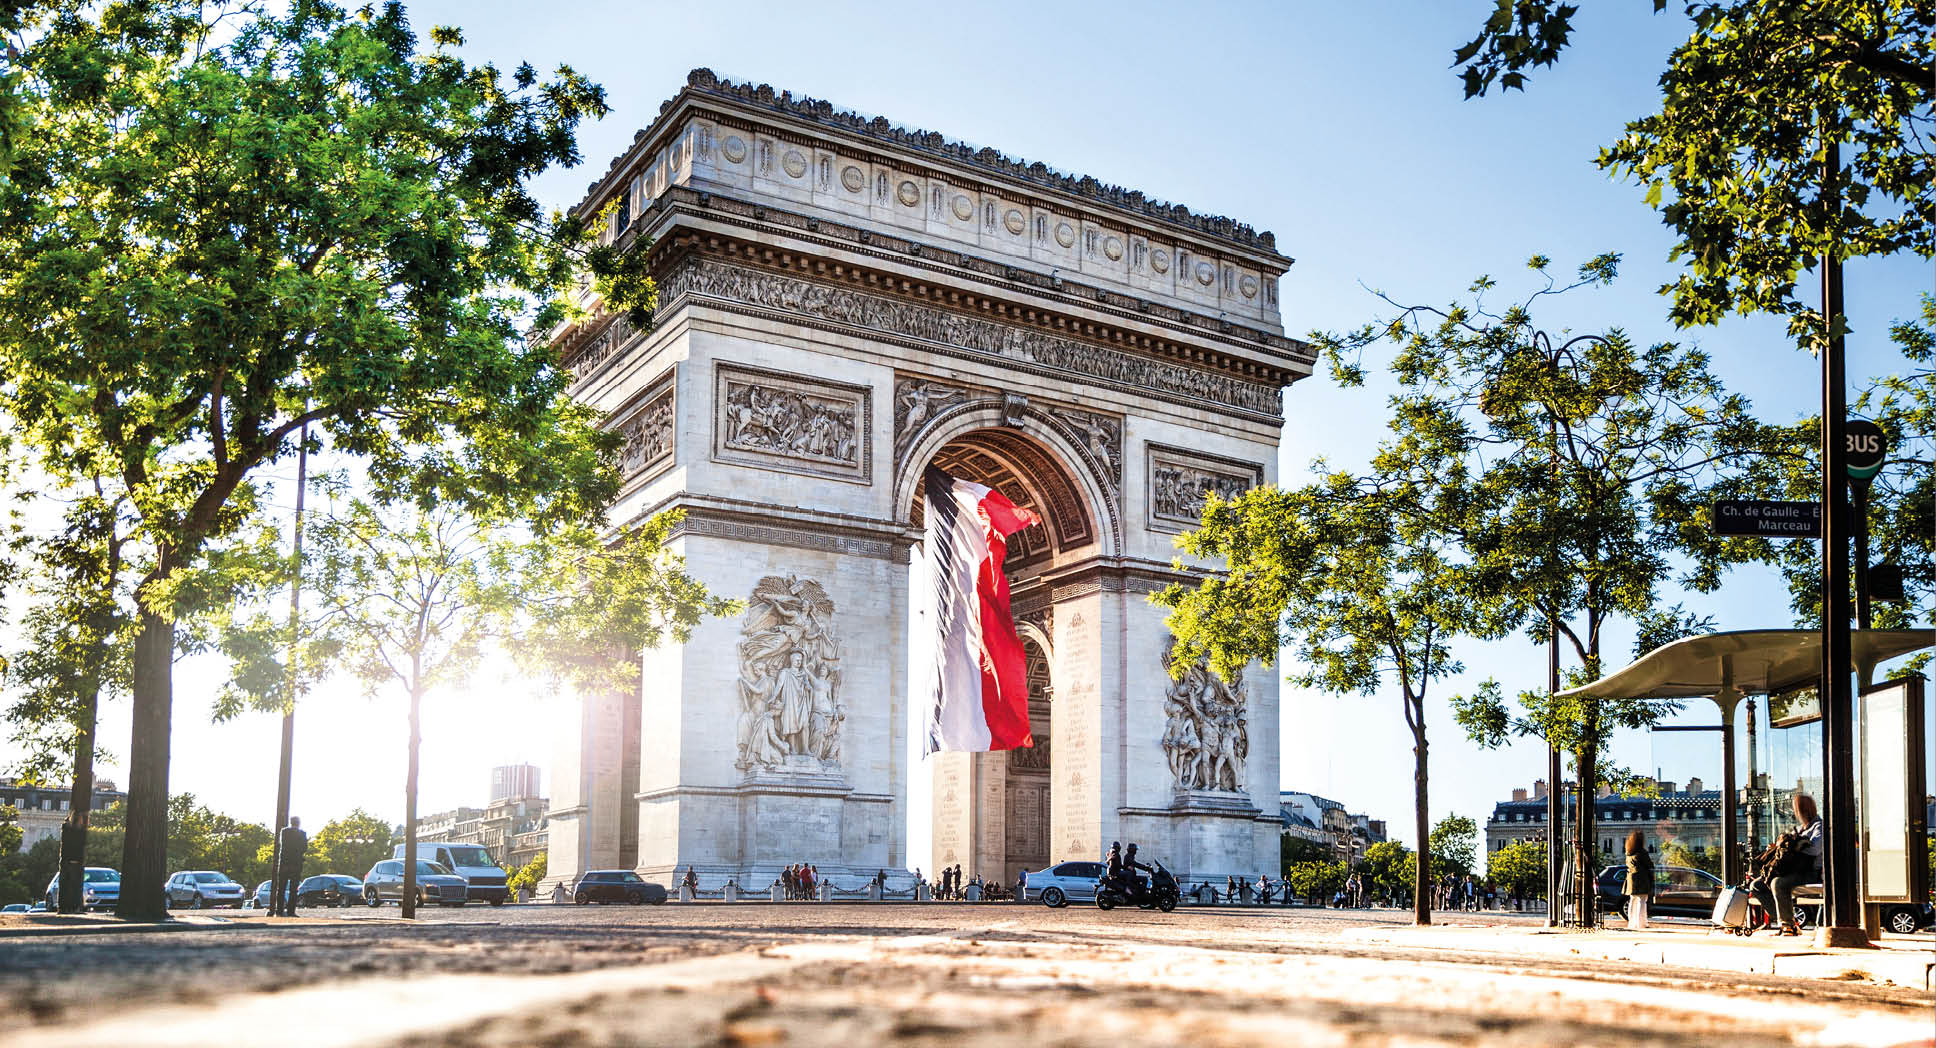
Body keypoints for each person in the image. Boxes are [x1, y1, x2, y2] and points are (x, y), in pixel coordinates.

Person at [1752, 793, 1824, 936]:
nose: (1794, 813)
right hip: (1794, 870)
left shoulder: (1818, 826)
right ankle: (1789, 922)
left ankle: (1787, 925)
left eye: (1796, 810)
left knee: (1778, 883)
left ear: (1803, 810)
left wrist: (1795, 847)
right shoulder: (1802, 828)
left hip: (1810, 872)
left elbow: (1815, 849)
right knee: (1757, 885)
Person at [273, 816, 307, 917]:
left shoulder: (284, 832)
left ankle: (279, 911)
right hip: (296, 863)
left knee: (281, 888)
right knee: (293, 889)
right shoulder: (302, 834)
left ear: (291, 822)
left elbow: (282, 845)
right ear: (299, 823)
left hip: (284, 863)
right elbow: (304, 848)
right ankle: (291, 911)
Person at [1624, 831, 1655, 931]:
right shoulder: (1642, 852)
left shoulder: (1629, 853)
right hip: (1641, 878)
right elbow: (1649, 865)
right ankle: (1641, 923)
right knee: (1642, 900)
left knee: (1633, 900)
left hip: (1631, 879)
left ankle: (1632, 923)